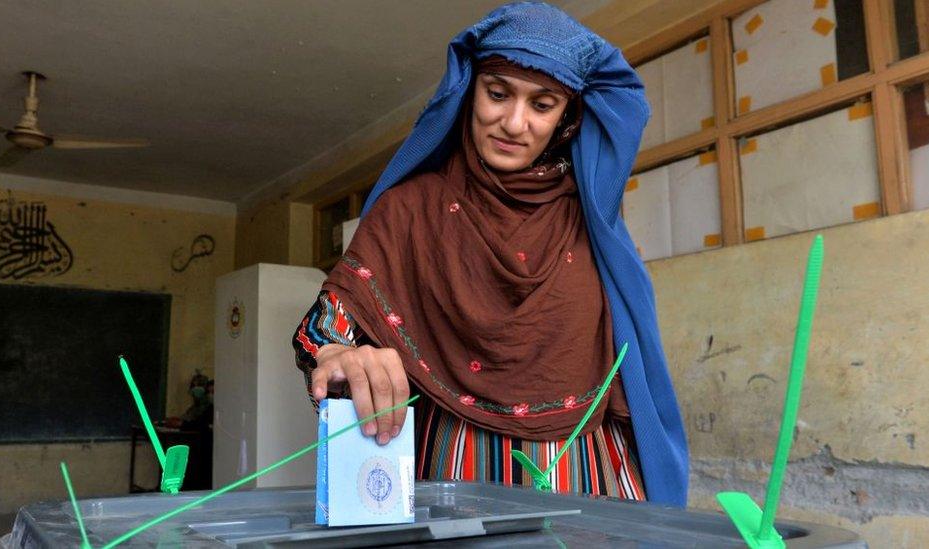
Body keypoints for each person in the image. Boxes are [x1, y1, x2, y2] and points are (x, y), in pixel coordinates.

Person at [293, 1, 688, 506]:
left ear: (566, 118)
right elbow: (322, 331)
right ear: (468, 92)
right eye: (498, 94)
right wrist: (339, 354)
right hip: (456, 468)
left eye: (542, 105)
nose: (514, 123)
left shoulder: (593, 223)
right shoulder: (409, 209)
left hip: (588, 472)